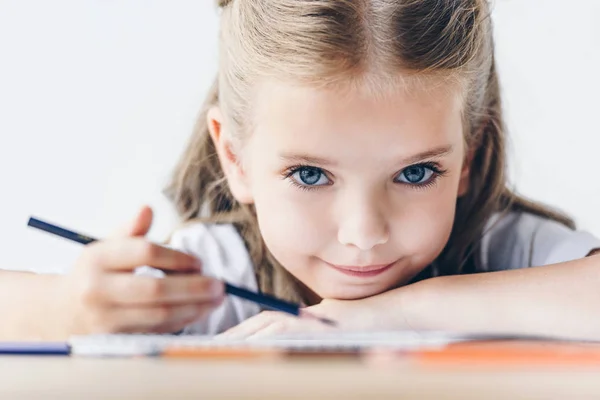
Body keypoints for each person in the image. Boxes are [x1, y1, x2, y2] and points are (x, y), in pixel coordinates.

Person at [3, 0, 600, 341]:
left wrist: (377, 316)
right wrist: (70, 309)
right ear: (234, 159)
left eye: (416, 173)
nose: (363, 232)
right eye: (311, 176)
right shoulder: (213, 277)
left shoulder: (509, 251)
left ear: (467, 156)